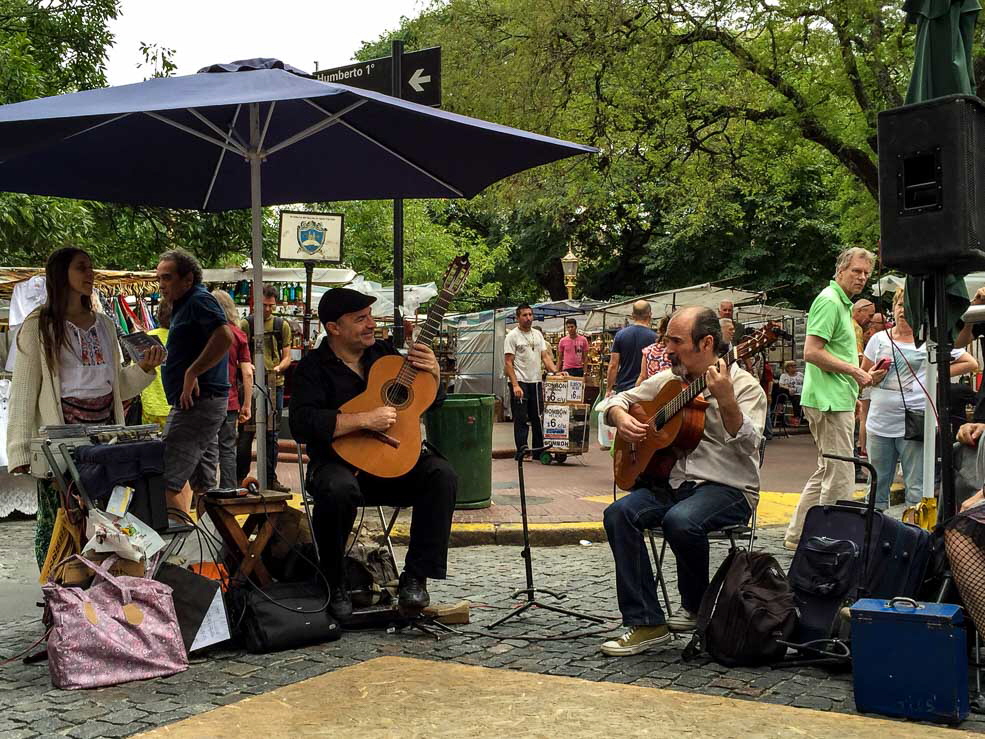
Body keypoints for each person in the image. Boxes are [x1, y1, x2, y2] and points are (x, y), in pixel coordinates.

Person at [599, 306, 766, 656]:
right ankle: (647, 621)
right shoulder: (674, 382)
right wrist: (619, 417)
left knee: (681, 521)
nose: (667, 349)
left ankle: (697, 609)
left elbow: (752, 445)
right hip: (675, 486)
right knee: (618, 514)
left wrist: (727, 401)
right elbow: (618, 399)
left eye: (675, 341)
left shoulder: (747, 388)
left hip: (729, 488)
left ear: (706, 343)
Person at [290, 288, 457, 620]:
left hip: (392, 464)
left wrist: (435, 376)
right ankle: (334, 581)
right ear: (334, 328)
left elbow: (426, 401)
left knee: (442, 476)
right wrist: (362, 419)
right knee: (338, 490)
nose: (371, 324)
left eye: (370, 316)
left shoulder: (384, 355)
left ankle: (415, 579)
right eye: (360, 319)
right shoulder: (311, 368)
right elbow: (302, 424)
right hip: (337, 466)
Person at [6, 247, 164, 568]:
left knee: (108, 521)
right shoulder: (38, 326)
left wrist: (144, 369)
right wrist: (20, 452)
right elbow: (23, 392)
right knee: (59, 523)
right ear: (61, 274)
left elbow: (116, 385)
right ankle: (58, 591)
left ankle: (99, 591)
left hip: (106, 440)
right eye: (82, 268)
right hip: (60, 443)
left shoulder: (105, 325)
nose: (90, 274)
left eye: (91, 267)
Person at [784, 247, 883, 551]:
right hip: (828, 401)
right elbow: (811, 352)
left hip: (832, 397)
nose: (862, 278)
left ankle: (799, 536)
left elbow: (829, 353)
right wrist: (855, 371)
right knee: (840, 474)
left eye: (866, 273)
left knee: (827, 469)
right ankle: (825, 543)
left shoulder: (840, 304)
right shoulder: (829, 301)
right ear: (840, 271)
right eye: (856, 271)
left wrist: (853, 385)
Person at [861, 290, 976, 509]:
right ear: (893, 309)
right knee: (876, 486)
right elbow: (862, 376)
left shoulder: (928, 341)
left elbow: (970, 362)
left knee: (916, 487)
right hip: (880, 422)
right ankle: (874, 535)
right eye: (899, 305)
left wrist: (933, 375)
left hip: (916, 422)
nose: (903, 310)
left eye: (909, 305)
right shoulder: (878, 339)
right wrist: (871, 377)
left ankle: (914, 537)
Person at [157, 249, 232, 515]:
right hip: (201, 403)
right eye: (159, 279)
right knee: (203, 485)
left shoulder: (199, 300)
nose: (162, 285)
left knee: (164, 480)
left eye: (167, 278)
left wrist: (192, 372)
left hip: (198, 404)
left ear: (187, 279)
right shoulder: (186, 304)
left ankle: (176, 550)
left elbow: (225, 337)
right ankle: (210, 549)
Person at [240, 286, 293, 493]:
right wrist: (248, 367)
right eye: (265, 305)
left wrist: (280, 367)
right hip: (251, 384)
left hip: (275, 384)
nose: (269, 310)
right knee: (245, 434)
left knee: (272, 434)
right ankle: (240, 478)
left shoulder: (282, 325)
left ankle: (271, 479)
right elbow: (238, 355)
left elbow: (287, 355)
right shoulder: (247, 324)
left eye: (272, 305)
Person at [504, 304, 561, 455]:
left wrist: (555, 371)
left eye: (530, 314)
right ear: (518, 318)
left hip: (535, 382)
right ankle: (522, 450)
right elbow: (508, 362)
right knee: (521, 418)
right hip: (520, 382)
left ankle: (538, 450)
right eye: (524, 315)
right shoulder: (512, 336)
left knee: (538, 416)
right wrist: (515, 385)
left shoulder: (538, 334)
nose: (528, 318)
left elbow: (545, 356)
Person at [212, 290, 253, 490]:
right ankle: (228, 492)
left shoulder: (204, 331)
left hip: (206, 400)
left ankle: (204, 493)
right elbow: (247, 373)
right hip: (230, 401)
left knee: (207, 450)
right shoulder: (237, 334)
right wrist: (247, 405)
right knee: (227, 449)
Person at [606, 300, 655, 395]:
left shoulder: (620, 335)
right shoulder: (655, 338)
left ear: (632, 315)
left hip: (623, 389)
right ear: (650, 314)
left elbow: (613, 365)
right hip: (645, 390)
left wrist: (608, 389)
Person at [140, 298, 172, 430]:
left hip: (150, 406)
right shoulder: (183, 339)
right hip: (175, 407)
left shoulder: (146, 339)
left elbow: (137, 371)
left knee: (150, 446)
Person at [852, 298, 876, 463]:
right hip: (851, 383)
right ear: (859, 311)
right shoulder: (856, 328)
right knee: (858, 419)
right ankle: (856, 465)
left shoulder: (848, 323)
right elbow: (859, 360)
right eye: (870, 315)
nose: (871, 320)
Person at [636, 315, 672, 385]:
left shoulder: (648, 350)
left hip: (652, 393)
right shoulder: (676, 351)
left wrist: (636, 392)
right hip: (673, 392)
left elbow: (642, 376)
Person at [776, 360, 804, 424]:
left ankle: (797, 417)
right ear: (787, 368)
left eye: (795, 365)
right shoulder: (784, 376)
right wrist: (789, 389)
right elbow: (781, 385)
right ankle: (780, 408)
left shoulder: (800, 375)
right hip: (788, 393)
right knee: (781, 390)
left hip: (799, 393)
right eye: (792, 366)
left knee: (797, 399)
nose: (794, 367)